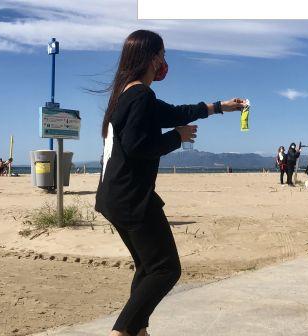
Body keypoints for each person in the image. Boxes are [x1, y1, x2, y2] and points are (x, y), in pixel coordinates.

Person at [94, 30, 246, 336]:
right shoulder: (140, 96)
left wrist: (219, 107)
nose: (165, 62)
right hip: (131, 197)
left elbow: (176, 112)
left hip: (116, 195)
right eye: (162, 55)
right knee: (166, 269)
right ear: (150, 58)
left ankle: (138, 329)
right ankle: (122, 332)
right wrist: (177, 137)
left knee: (148, 267)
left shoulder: (128, 94)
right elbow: (140, 146)